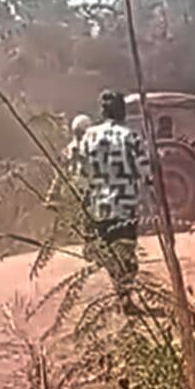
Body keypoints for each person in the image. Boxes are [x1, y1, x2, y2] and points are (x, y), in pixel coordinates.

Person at [78, 89, 152, 316]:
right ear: (123, 112)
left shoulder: (88, 137)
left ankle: (121, 295)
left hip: (100, 209)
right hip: (125, 206)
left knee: (112, 257)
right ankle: (125, 298)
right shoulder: (131, 137)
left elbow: (82, 175)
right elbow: (146, 171)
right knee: (127, 255)